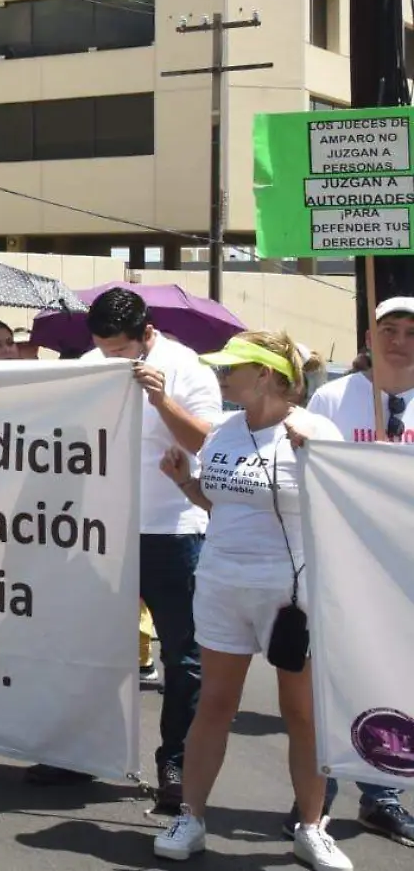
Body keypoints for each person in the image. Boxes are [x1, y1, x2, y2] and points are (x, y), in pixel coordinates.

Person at [150, 332, 350, 870]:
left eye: (231, 368)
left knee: (301, 712)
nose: (221, 376)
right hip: (220, 585)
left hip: (293, 596)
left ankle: (312, 827)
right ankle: (190, 817)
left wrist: (318, 457)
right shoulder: (221, 432)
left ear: (264, 375)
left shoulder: (314, 431)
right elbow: (217, 505)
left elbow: (343, 507)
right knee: (214, 703)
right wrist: (185, 483)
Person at [24, 287, 221, 807]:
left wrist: (161, 399)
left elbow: (206, 442)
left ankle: (174, 764)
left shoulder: (189, 370)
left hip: (173, 533)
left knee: (185, 658)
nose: (109, 358)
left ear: (146, 334)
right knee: (91, 647)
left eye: (119, 350)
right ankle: (82, 754)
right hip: (103, 533)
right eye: (102, 348)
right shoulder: (92, 363)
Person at [300, 298, 414, 845]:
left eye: (412, 331)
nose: (400, 341)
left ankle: (382, 793)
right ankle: (316, 799)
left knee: (393, 679)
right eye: (388, 329)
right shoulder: (332, 397)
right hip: (343, 563)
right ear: (369, 337)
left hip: (406, 568)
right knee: (329, 679)